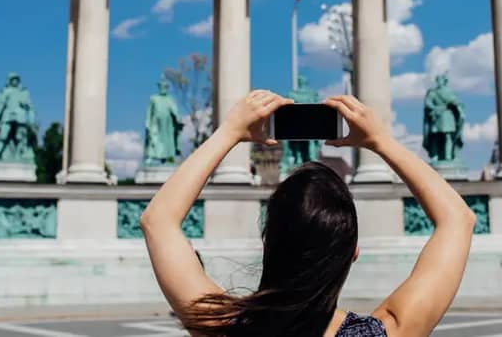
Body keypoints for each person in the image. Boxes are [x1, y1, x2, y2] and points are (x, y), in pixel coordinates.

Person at [140, 91, 477, 337]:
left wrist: (229, 131)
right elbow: (458, 220)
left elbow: (158, 221)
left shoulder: (224, 329)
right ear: (353, 251)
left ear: (267, 242)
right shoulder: (386, 332)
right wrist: (382, 140)